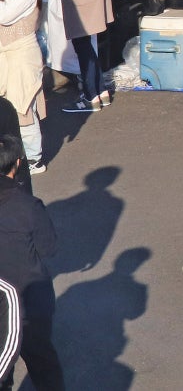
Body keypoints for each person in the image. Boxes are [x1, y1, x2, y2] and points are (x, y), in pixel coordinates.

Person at [0, 134, 59, 391]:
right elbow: (49, 247)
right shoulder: (28, 205)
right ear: (18, 163)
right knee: (42, 362)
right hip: (28, 298)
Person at [0, 0, 44, 176]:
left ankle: (33, 159)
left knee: (23, 108)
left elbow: (6, 16)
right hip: (3, 55)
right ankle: (9, 157)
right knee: (5, 108)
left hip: (23, 55)